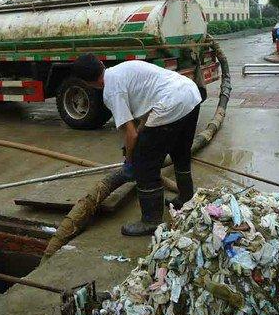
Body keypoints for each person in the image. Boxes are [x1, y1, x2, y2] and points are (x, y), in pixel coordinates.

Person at [71, 54, 202, 236]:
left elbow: (130, 134)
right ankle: (186, 197)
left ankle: (151, 221)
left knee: (145, 165)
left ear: (87, 82)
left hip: (171, 103)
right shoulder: (123, 68)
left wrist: (131, 160)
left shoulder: (111, 91)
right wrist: (139, 142)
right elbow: (145, 116)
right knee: (180, 151)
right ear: (101, 64)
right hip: (190, 94)